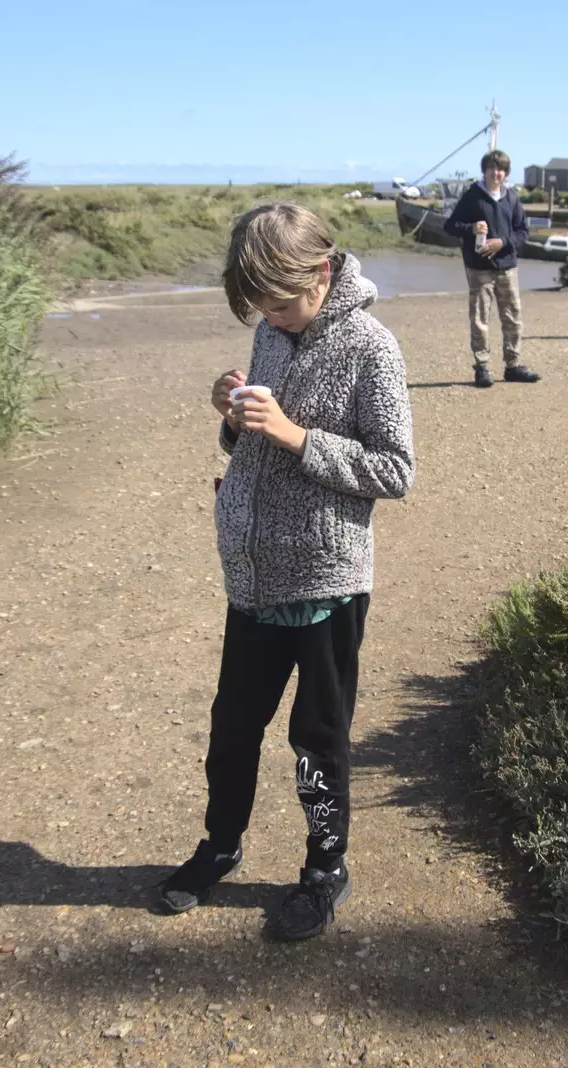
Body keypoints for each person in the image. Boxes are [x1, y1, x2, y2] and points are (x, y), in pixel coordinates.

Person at [158, 203, 416, 942]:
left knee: (317, 734)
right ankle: (221, 844)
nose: (269, 317)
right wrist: (232, 418)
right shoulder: (271, 331)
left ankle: (324, 867)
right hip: (253, 574)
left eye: (278, 301)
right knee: (232, 727)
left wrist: (298, 437)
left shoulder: (373, 347)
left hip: (327, 579)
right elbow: (252, 440)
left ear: (321, 275)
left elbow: (395, 470)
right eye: (258, 306)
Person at [443, 150, 541, 388]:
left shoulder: (512, 198)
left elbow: (522, 232)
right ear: (484, 170)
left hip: (507, 267)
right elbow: (450, 226)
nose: (496, 173)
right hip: (479, 269)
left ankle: (513, 366)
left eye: (500, 169)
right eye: (492, 168)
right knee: (480, 319)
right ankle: (482, 368)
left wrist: (503, 242)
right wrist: (471, 228)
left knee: (513, 318)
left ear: (505, 173)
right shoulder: (472, 196)